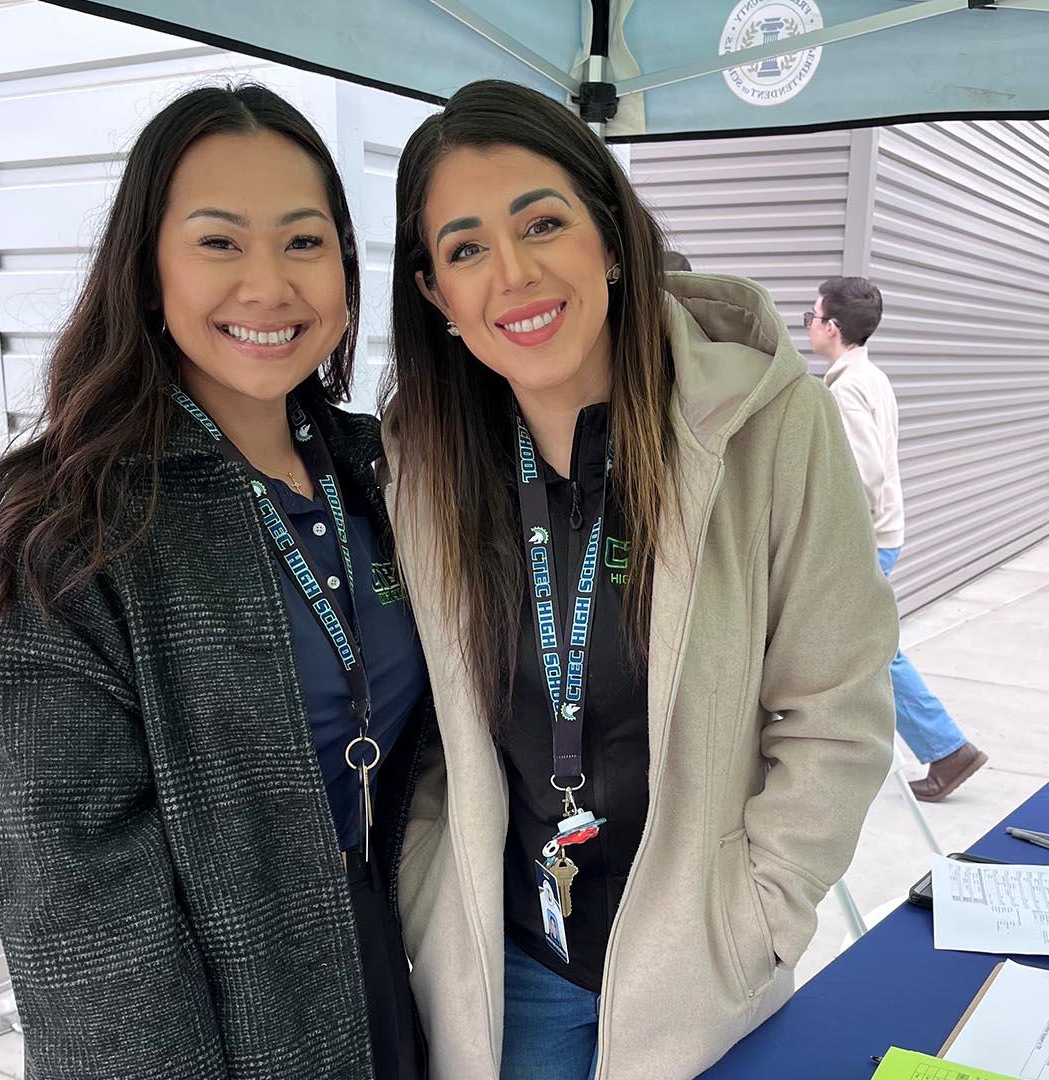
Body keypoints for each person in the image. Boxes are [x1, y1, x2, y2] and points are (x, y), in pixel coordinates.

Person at [380, 79, 898, 1080]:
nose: (514, 273)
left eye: (543, 223)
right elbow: (419, 736)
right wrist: (428, 885)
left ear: (611, 237)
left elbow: (837, 710)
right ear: (437, 296)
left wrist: (759, 912)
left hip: (702, 968)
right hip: (509, 975)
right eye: (466, 248)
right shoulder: (421, 465)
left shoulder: (768, 425)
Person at [0, 85, 432, 1079]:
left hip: (403, 962)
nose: (268, 286)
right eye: (217, 243)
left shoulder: (382, 470)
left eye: (303, 242)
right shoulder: (80, 522)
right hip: (234, 1023)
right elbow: (78, 900)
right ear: (147, 270)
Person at [809, 276, 988, 802]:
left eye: (813, 318)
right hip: (880, 534)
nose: (810, 326)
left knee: (874, 650)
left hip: (864, 540)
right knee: (858, 648)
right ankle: (932, 749)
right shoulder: (870, 377)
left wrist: (840, 539)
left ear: (833, 328)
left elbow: (864, 474)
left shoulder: (846, 390)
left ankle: (947, 749)